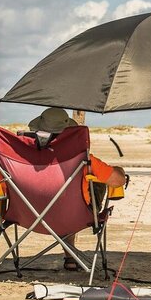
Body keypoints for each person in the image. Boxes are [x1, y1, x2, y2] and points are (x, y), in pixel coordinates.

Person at [26, 107, 126, 271]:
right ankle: (70, 257)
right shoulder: (81, 159)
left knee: (61, 199)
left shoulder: (21, 158)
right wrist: (120, 170)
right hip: (75, 214)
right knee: (76, 195)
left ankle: (70, 257)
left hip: (29, 215)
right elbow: (117, 181)